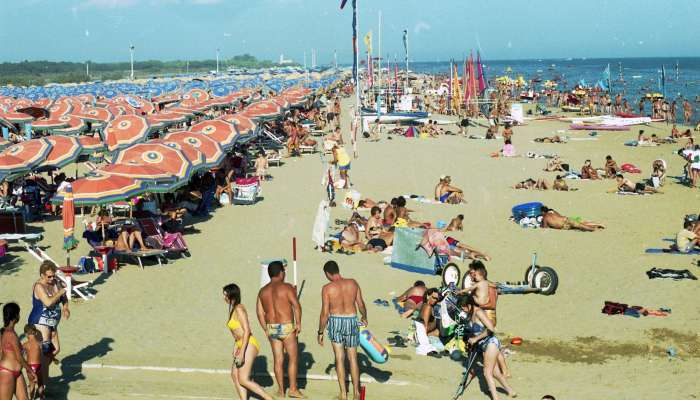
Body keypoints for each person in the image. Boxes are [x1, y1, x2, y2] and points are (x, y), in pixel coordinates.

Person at [317, 261, 367, 400]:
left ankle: (343, 393)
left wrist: (320, 332)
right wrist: (364, 316)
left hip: (336, 321)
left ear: (327, 273)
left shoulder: (327, 288)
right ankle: (356, 393)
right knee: (353, 358)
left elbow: (324, 313)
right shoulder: (353, 283)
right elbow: (361, 304)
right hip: (351, 319)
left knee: (339, 358)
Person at [256, 262, 303, 398]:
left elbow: (259, 313)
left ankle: (281, 390)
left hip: (272, 327)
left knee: (278, 359)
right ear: (281, 273)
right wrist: (298, 323)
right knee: (293, 358)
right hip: (287, 326)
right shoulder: (287, 287)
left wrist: (265, 328)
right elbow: (296, 306)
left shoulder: (262, 291)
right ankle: (293, 389)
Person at [458, 296, 517, 400]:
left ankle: (495, 398)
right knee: (495, 373)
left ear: (469, 305)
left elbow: (491, 329)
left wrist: (476, 339)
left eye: (463, 307)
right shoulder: (470, 314)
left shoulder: (479, 312)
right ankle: (511, 391)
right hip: (484, 346)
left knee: (487, 373)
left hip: (491, 343)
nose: (462, 309)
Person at [223, 283, 272, 400]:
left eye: (225, 295)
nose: (224, 298)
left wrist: (241, 352)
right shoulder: (233, 309)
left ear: (232, 296)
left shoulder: (239, 309)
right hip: (241, 344)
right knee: (234, 375)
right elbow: (237, 332)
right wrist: (236, 346)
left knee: (243, 379)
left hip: (249, 344)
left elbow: (246, 330)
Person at [28, 261, 68, 391]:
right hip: (39, 321)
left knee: (55, 349)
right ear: (42, 275)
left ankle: (37, 374)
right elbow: (49, 302)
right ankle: (42, 384)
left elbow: (64, 298)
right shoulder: (39, 286)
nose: (52, 279)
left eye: (53, 276)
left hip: (52, 322)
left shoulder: (55, 282)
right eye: (49, 276)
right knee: (46, 352)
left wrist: (65, 308)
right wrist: (60, 292)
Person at [1, 303, 36, 400]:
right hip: (7, 372)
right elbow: (19, 358)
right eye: (18, 313)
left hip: (17, 372)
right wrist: (31, 371)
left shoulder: (7, 331)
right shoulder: (10, 334)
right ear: (15, 315)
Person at [541, 205, 605, 231]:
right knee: (582, 223)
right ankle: (598, 224)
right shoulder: (552, 211)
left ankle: (594, 230)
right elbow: (560, 215)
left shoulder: (545, 217)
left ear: (543, 212)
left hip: (564, 226)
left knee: (581, 226)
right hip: (565, 219)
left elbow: (545, 227)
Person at [22, 325, 42, 399]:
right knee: (40, 384)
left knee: (31, 384)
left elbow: (21, 355)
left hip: (30, 367)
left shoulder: (25, 345)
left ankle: (31, 398)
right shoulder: (39, 344)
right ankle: (42, 398)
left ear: (26, 334)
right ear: (36, 333)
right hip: (38, 365)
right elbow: (47, 352)